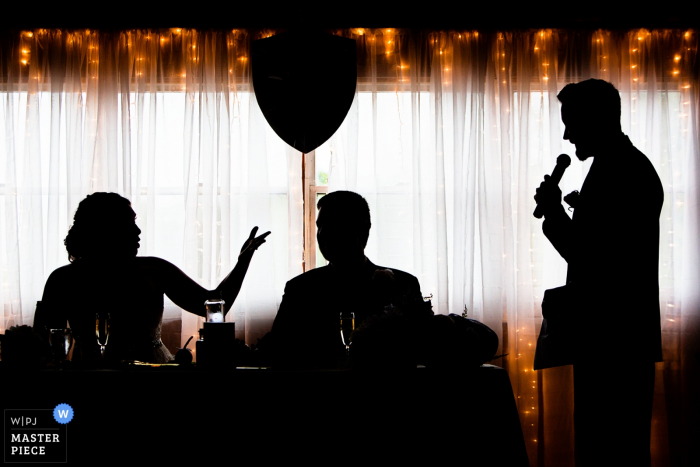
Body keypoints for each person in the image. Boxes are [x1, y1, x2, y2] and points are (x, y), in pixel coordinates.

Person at [534, 79, 663, 466]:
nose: (566, 134)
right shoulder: (620, 166)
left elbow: (591, 257)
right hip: (614, 338)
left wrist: (556, 213)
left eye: (571, 122)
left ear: (598, 119)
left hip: (615, 340)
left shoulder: (624, 172)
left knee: (611, 447)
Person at [33, 192, 270, 363]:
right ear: (104, 229)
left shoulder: (155, 270)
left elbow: (214, 304)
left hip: (153, 374)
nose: (137, 231)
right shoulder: (62, 280)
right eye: (128, 224)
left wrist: (243, 261)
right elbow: (42, 342)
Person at [266, 190, 427, 369]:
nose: (323, 233)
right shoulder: (300, 289)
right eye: (320, 225)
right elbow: (278, 353)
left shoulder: (402, 284)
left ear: (363, 230)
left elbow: (421, 349)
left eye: (334, 224)